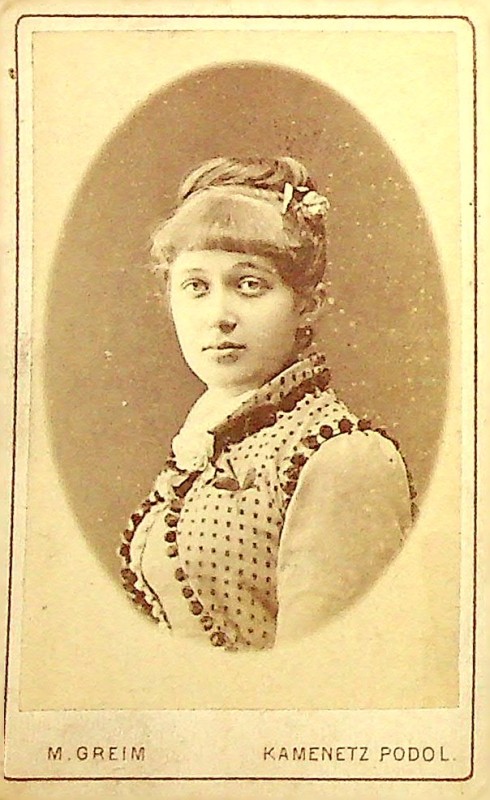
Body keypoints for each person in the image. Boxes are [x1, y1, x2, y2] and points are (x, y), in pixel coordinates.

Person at [119, 156, 415, 651]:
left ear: (307, 303)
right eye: (196, 287)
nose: (219, 315)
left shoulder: (342, 456)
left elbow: (320, 673)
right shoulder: (204, 444)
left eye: (249, 284)